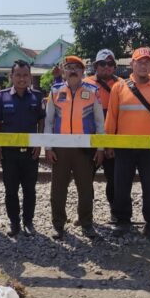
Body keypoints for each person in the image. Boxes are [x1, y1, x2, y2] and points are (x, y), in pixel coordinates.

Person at [105, 47, 150, 243]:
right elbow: (112, 117)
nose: (143, 65)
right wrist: (108, 143)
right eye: (139, 61)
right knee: (121, 186)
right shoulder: (119, 87)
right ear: (132, 64)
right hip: (124, 147)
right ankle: (123, 221)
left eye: (147, 62)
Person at [44, 55, 105, 240]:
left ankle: (86, 223)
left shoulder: (93, 91)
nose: (72, 71)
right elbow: (48, 121)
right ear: (63, 71)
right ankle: (58, 224)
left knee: (85, 189)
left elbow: (99, 122)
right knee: (58, 189)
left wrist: (100, 148)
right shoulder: (55, 92)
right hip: (61, 148)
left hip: (84, 149)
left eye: (76, 68)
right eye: (69, 67)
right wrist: (48, 147)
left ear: (82, 72)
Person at [0, 60, 45, 237]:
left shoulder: (37, 96)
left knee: (30, 189)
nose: (22, 79)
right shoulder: (1, 96)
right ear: (11, 76)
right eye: (18, 75)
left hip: (30, 153)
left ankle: (28, 222)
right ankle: (14, 223)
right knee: (10, 190)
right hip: (9, 153)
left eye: (25, 75)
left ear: (30, 76)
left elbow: (41, 121)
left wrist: (38, 142)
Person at [83, 49, 122, 222]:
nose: (106, 67)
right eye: (102, 64)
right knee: (85, 178)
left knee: (114, 179)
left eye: (110, 64)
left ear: (114, 66)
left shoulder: (123, 84)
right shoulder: (85, 83)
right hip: (90, 139)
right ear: (95, 66)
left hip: (113, 139)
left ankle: (115, 211)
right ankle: (85, 213)